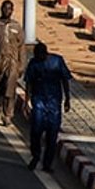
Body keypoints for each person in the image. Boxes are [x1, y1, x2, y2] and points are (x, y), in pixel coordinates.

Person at [23, 41, 72, 171]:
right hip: (38, 101)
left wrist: (67, 99)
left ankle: (47, 163)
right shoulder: (33, 64)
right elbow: (28, 83)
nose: (39, 58)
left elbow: (65, 80)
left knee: (52, 134)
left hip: (54, 103)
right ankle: (36, 156)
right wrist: (26, 101)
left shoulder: (57, 61)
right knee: (36, 131)